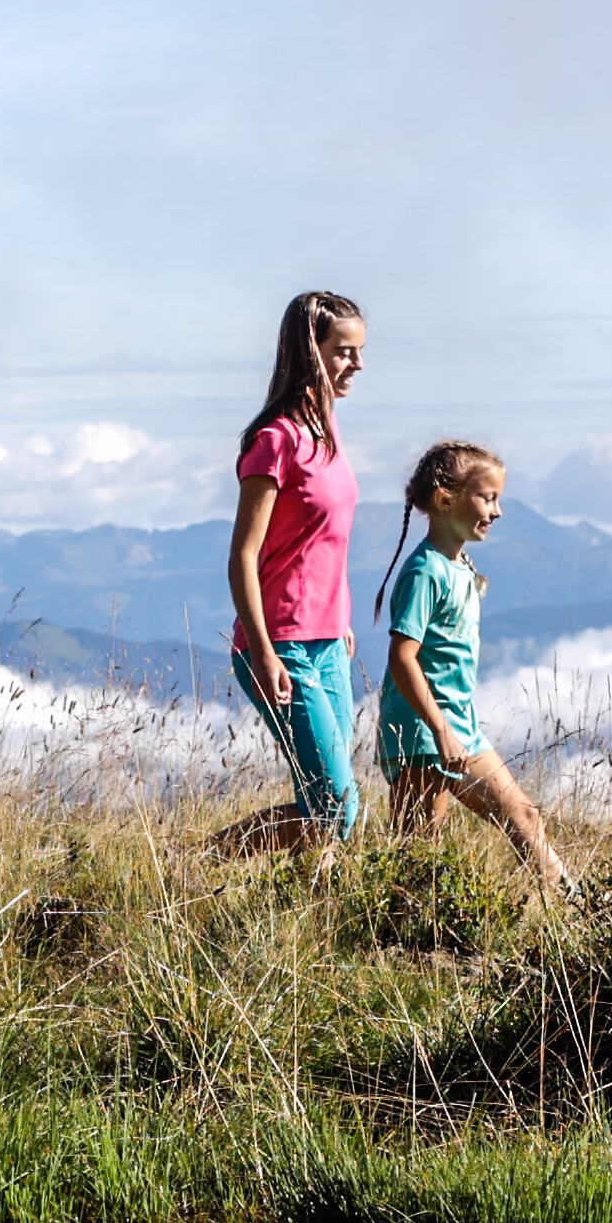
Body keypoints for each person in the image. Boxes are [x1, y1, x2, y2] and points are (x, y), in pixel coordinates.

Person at [372, 439, 565, 882]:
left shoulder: (458, 565)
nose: (496, 511)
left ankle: (581, 918)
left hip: (458, 726)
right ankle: (400, 946)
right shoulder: (425, 571)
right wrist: (439, 729)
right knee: (418, 856)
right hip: (422, 730)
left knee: (525, 817)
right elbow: (402, 657)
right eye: (487, 497)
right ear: (446, 500)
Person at [221, 288, 366, 856]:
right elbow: (242, 556)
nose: (357, 363)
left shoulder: (327, 434)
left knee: (328, 809)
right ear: (311, 352)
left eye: (359, 351)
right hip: (282, 644)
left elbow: (329, 541)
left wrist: (343, 615)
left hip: (329, 642)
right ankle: (193, 864)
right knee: (338, 805)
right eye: (345, 351)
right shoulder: (274, 441)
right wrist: (263, 651)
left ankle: (305, 917)